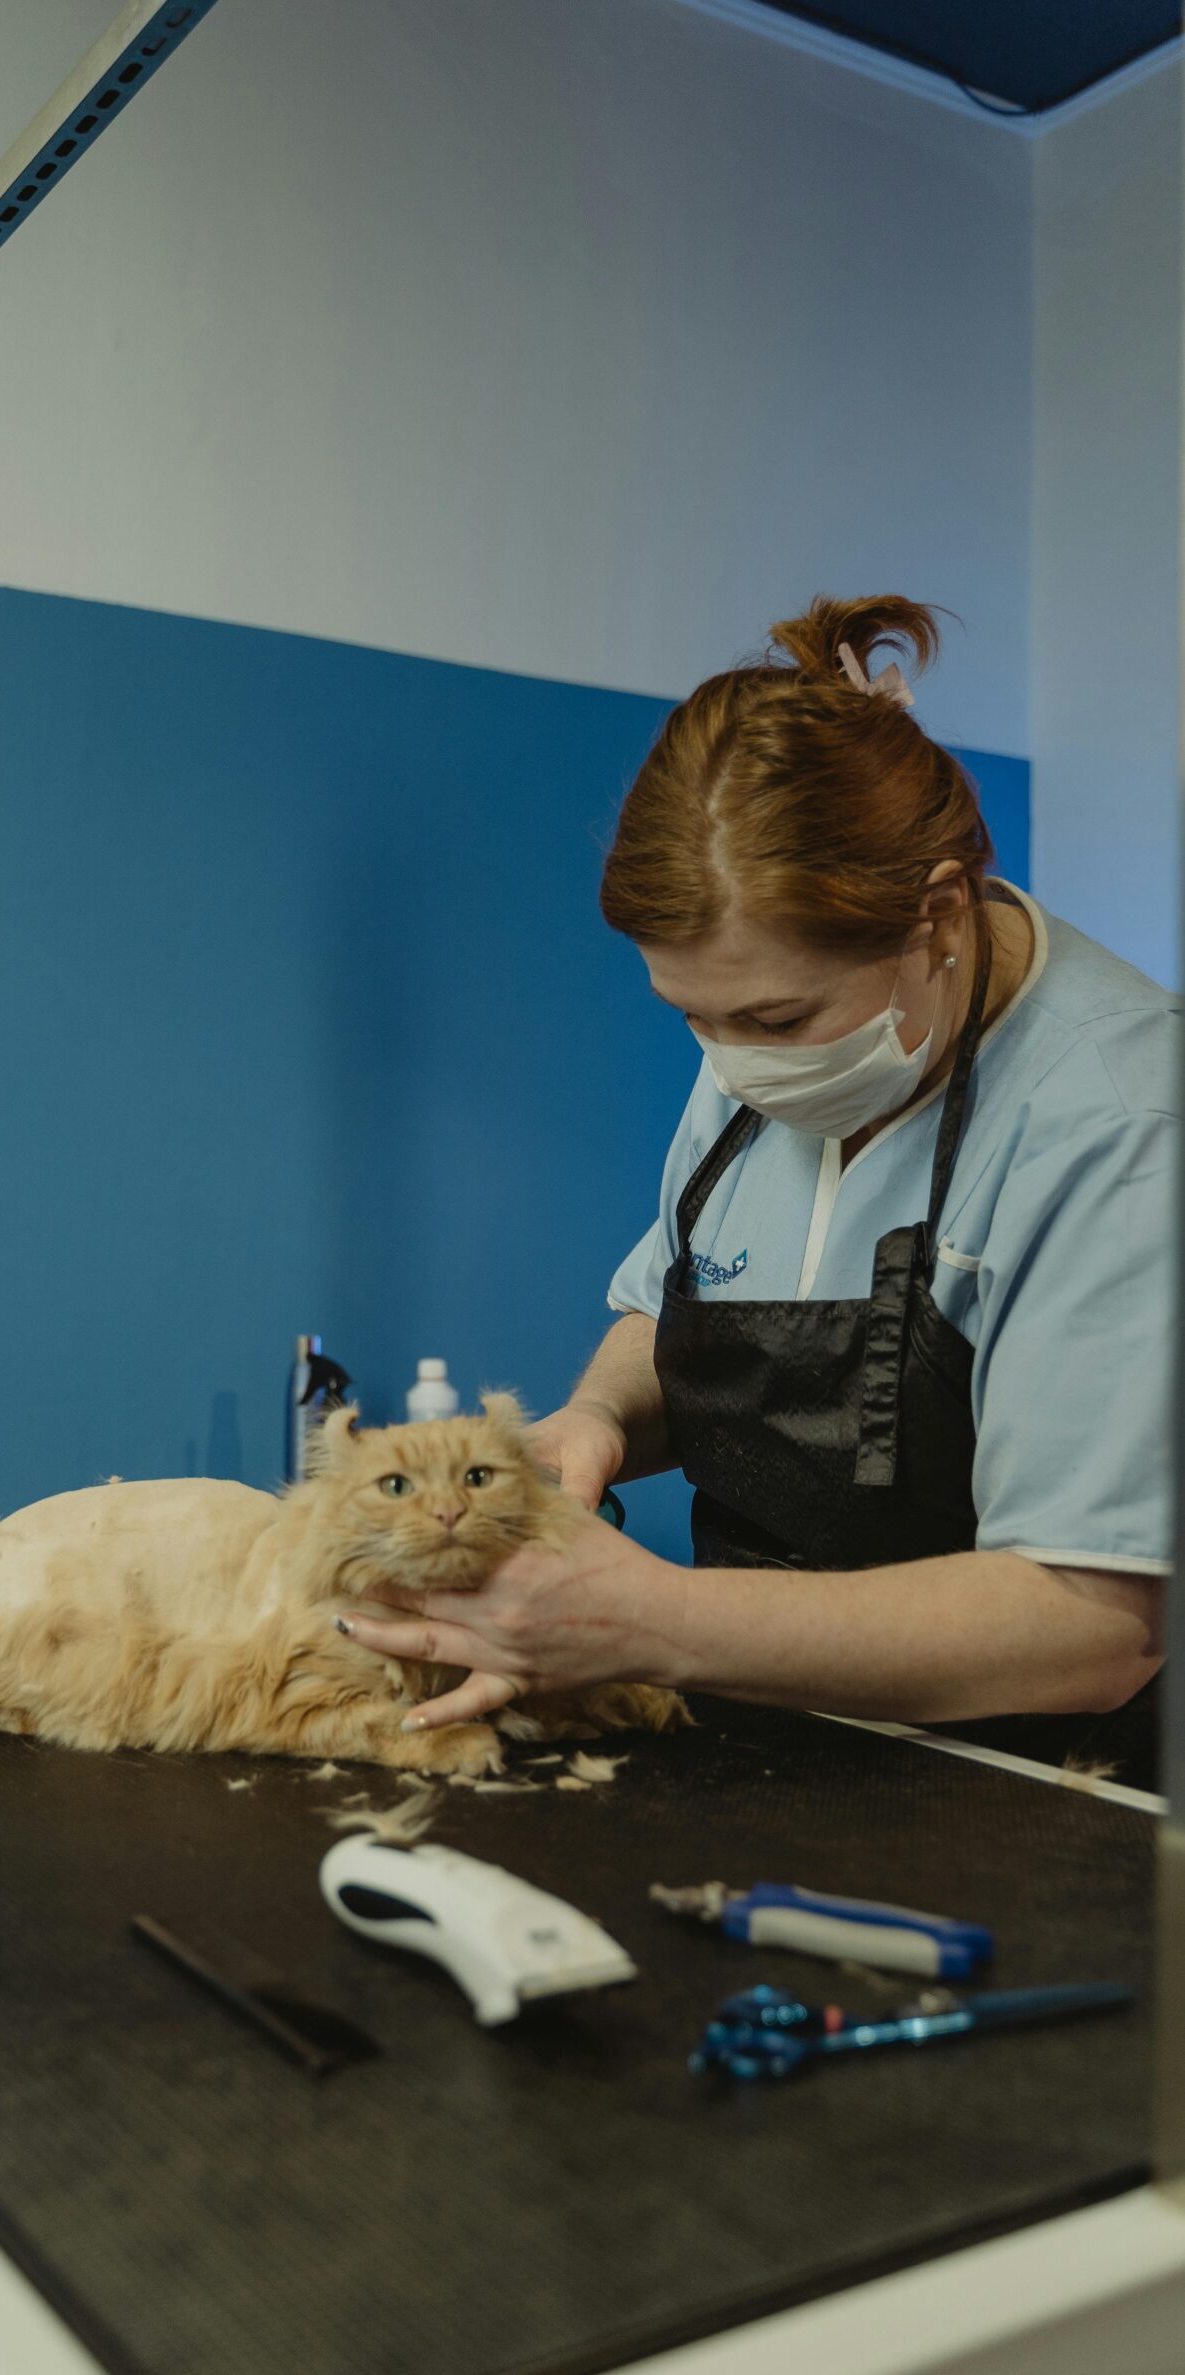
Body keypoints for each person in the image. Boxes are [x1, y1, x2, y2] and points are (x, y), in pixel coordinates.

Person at [338, 595, 1175, 1789]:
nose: (735, 1062)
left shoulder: (1123, 1124)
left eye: (775, 1019)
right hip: (766, 1754)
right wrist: (597, 1421)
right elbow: (692, 1303)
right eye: (695, 1018)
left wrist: (655, 1620)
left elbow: (1092, 1625)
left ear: (935, 917)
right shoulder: (766, 1050)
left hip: (1043, 1799)